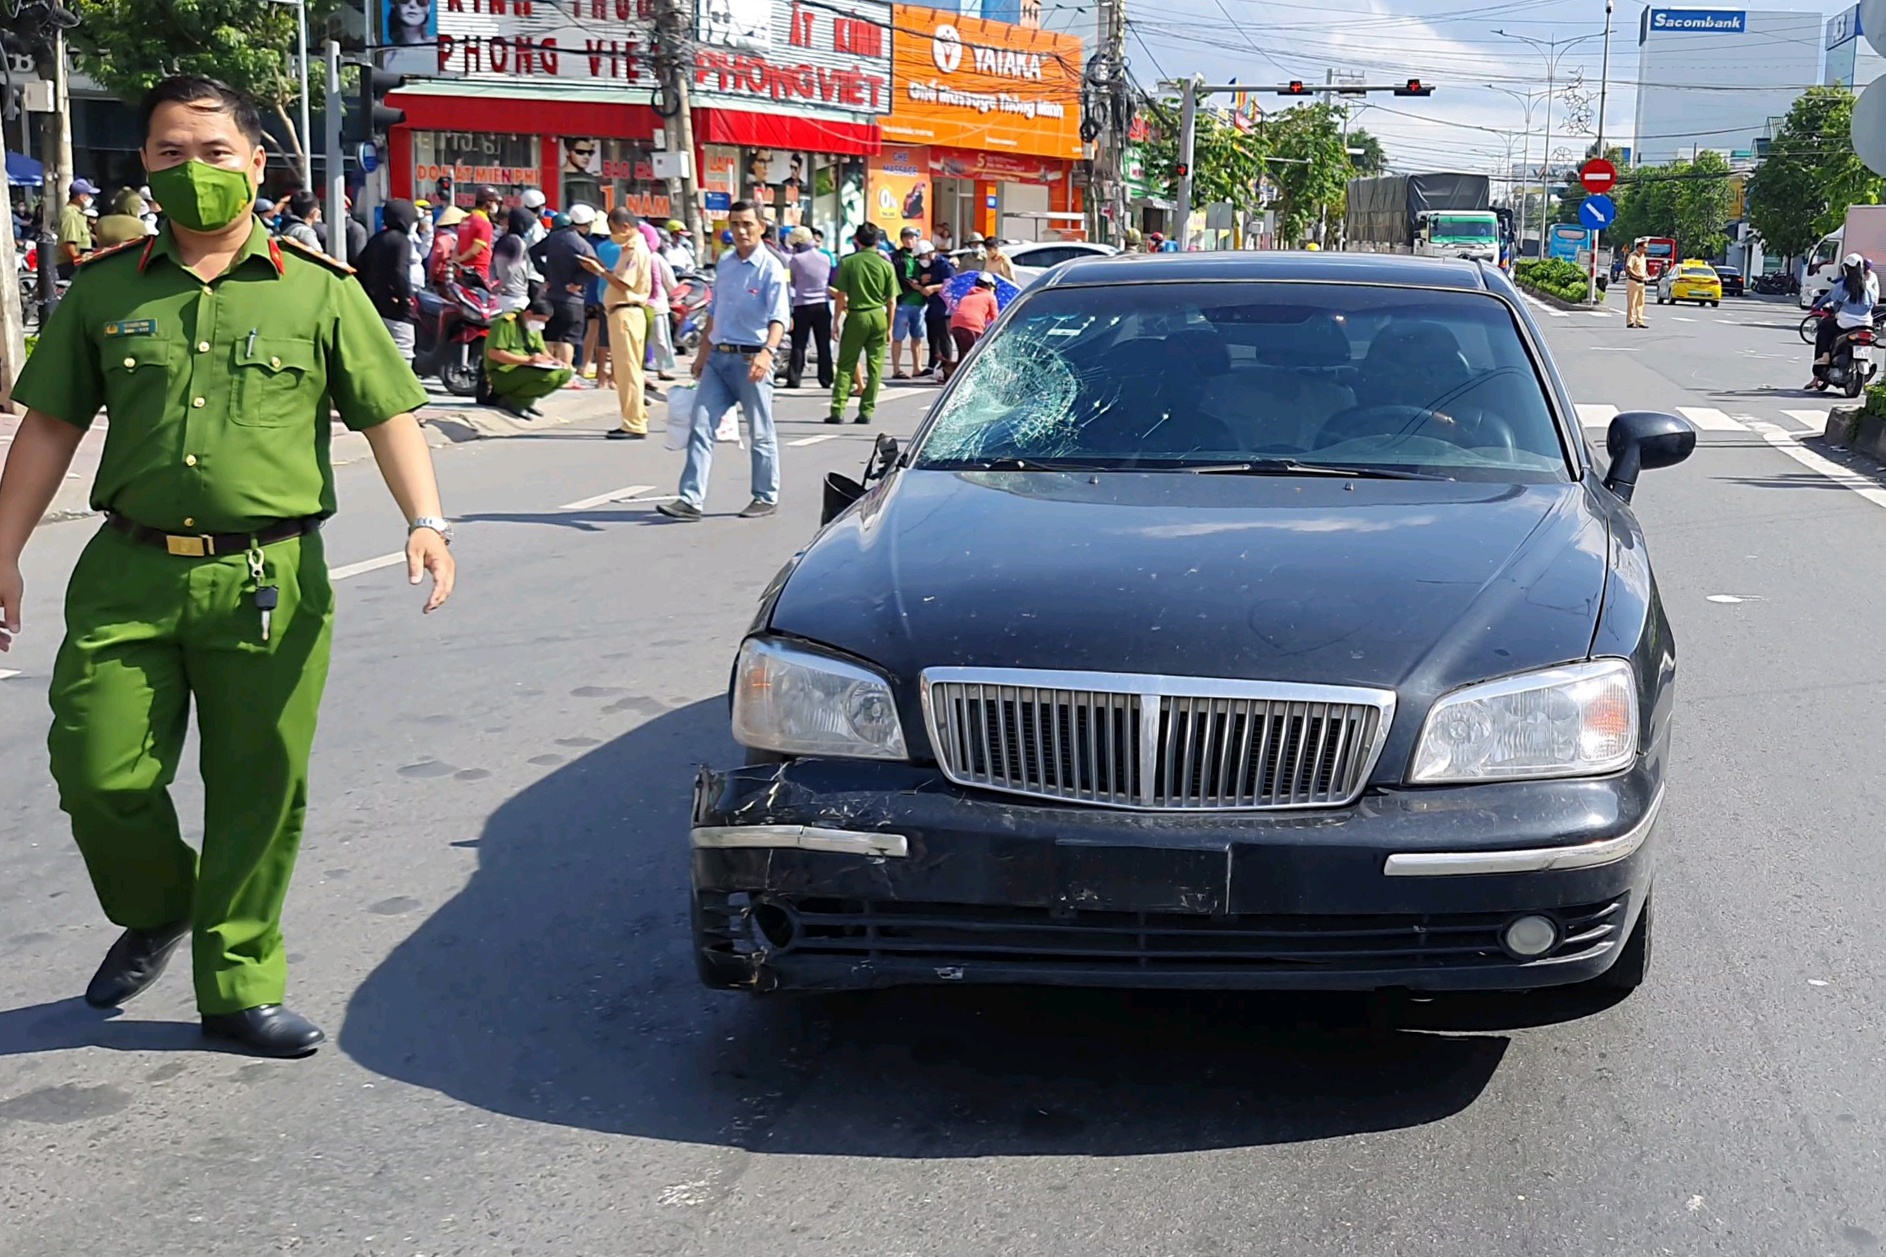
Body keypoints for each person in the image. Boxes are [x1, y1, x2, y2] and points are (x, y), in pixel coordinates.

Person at [0, 74, 453, 1059]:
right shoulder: (108, 289)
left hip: (268, 579)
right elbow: (47, 428)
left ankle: (238, 984)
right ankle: (160, 905)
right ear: (145, 166)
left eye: (214, 152)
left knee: (259, 786)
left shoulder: (317, 290)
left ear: (256, 161)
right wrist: (4, 551)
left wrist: (426, 519)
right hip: (127, 572)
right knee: (96, 769)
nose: (192, 169)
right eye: (170, 152)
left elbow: (389, 414)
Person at [656, 200, 787, 521]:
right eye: (735, 224)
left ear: (761, 227)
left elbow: (780, 318)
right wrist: (701, 355)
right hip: (718, 358)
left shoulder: (770, 267)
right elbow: (715, 314)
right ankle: (690, 499)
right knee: (700, 425)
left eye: (747, 224)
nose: (741, 230)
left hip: (751, 360)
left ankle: (765, 495)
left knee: (760, 430)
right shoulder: (726, 263)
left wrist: (766, 353)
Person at [583, 206, 652, 439]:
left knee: (627, 370)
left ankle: (633, 423)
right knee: (627, 369)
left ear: (624, 227)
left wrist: (600, 270)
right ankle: (635, 417)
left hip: (626, 311)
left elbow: (624, 283)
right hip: (625, 312)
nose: (612, 234)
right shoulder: (631, 248)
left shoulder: (634, 249)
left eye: (613, 229)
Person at [827, 221, 897, 426]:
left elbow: (841, 295)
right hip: (878, 315)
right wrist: (890, 327)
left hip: (856, 314)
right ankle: (866, 411)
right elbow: (892, 300)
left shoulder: (848, 262)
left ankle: (838, 410)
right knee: (875, 366)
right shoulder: (886, 265)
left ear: (856, 240)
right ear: (878, 241)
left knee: (846, 364)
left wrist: (836, 321)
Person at [484, 295, 573, 417]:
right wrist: (528, 360)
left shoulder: (532, 327)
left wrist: (555, 362)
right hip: (502, 374)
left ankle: (525, 401)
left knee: (565, 374)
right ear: (529, 314)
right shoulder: (506, 323)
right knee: (549, 378)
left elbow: (542, 350)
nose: (541, 325)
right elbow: (494, 354)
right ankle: (512, 401)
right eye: (540, 320)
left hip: (524, 369)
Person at [357, 197, 421, 363]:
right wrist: (405, 299)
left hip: (375, 305)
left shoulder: (377, 239)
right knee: (403, 351)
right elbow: (400, 271)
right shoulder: (402, 241)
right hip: (396, 308)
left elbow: (360, 267)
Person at [1807, 252, 1880, 390]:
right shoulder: (1869, 288)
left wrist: (1817, 306)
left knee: (1824, 328)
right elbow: (1872, 304)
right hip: (1866, 324)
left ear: (1846, 268)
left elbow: (1829, 298)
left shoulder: (1843, 286)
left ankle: (1824, 358)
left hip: (1845, 324)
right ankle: (1868, 362)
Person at [536, 207, 597, 371]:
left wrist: (546, 274)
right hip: (572, 299)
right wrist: (577, 282)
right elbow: (594, 268)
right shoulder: (582, 244)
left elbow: (533, 252)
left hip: (551, 294)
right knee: (568, 338)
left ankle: (546, 371)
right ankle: (565, 373)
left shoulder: (555, 237)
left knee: (551, 335)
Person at [786, 225, 833, 390]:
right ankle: (826, 378)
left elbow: (792, 281)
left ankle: (794, 378)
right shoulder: (825, 258)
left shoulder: (796, 260)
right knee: (823, 344)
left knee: (799, 343)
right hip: (822, 304)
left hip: (802, 305)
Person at [580, 210, 620, 385]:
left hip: (595, 294)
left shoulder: (596, 246)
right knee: (616, 339)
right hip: (617, 297)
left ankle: (594, 371)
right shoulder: (622, 248)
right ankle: (613, 376)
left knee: (596, 333)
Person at [891, 225, 925, 379]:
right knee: (898, 337)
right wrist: (911, 284)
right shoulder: (896, 257)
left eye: (912, 237)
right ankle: (896, 369)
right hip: (903, 300)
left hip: (920, 301)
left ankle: (917, 367)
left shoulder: (923, 255)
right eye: (906, 238)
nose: (910, 241)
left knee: (917, 336)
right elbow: (896, 276)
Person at [918, 239, 956, 380]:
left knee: (944, 338)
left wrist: (933, 288)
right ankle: (932, 366)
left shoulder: (945, 266)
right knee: (932, 338)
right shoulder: (929, 267)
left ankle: (947, 368)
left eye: (923, 256)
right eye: (920, 257)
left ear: (930, 253)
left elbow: (951, 284)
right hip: (932, 306)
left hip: (944, 307)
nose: (922, 260)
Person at [949, 270, 999, 372]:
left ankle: (955, 376)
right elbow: (995, 318)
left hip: (956, 324)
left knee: (963, 354)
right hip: (972, 326)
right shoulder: (990, 297)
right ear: (989, 286)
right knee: (974, 355)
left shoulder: (966, 296)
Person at [489, 205, 535, 315]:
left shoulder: (502, 240)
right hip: (515, 295)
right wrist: (501, 285)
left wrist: (494, 286)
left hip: (502, 295)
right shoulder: (518, 243)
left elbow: (492, 266)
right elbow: (511, 269)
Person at [646, 242, 680, 381]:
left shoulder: (656, 258)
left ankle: (662, 369)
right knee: (659, 339)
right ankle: (659, 369)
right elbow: (671, 283)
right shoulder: (639, 256)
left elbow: (669, 281)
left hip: (655, 304)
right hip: (643, 304)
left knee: (658, 339)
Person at [456, 185, 499, 283]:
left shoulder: (466, 219)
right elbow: (475, 250)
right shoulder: (484, 223)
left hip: (462, 271)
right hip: (478, 272)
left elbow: (458, 243)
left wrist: (456, 260)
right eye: (494, 202)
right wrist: (459, 259)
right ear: (487, 203)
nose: (496, 205)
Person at [56, 178, 97, 277]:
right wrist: (78, 261)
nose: (91, 198)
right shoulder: (70, 213)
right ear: (81, 196)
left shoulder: (79, 214)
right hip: (71, 265)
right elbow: (69, 243)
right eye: (89, 195)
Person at [428, 204, 465, 285]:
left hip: (451, 276)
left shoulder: (445, 237)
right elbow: (436, 262)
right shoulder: (444, 239)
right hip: (444, 278)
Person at [1624, 240, 1649, 329]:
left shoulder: (1643, 257)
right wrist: (1636, 275)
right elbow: (1628, 268)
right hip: (1633, 281)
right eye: (1644, 247)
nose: (1646, 249)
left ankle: (1639, 321)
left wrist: (1646, 275)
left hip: (1642, 282)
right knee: (1632, 303)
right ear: (1639, 247)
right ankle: (1630, 321)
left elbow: (1643, 269)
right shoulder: (1633, 256)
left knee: (1640, 303)